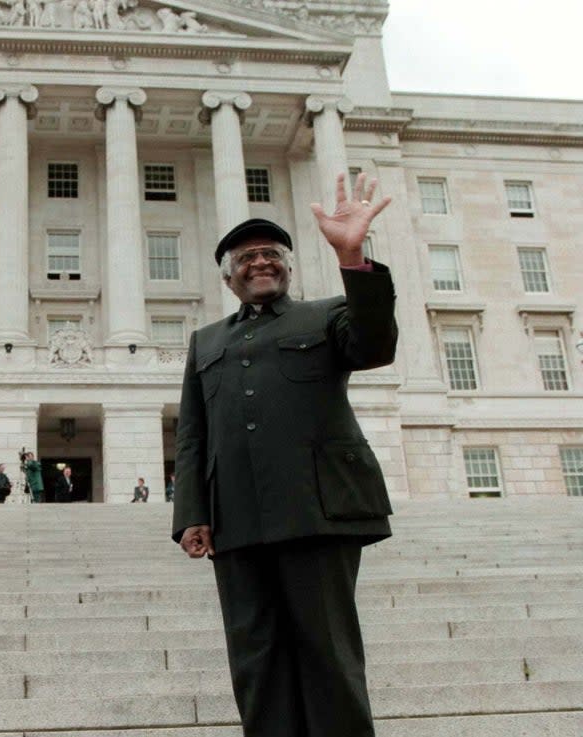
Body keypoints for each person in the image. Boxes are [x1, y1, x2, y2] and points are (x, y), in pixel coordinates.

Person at [172, 172, 396, 737]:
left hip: (318, 513)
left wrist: (353, 258)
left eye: (271, 253)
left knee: (328, 658)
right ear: (230, 278)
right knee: (256, 664)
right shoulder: (206, 341)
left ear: (288, 267)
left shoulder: (325, 315)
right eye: (246, 257)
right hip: (236, 522)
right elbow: (193, 435)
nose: (260, 262)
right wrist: (191, 514)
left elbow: (376, 345)